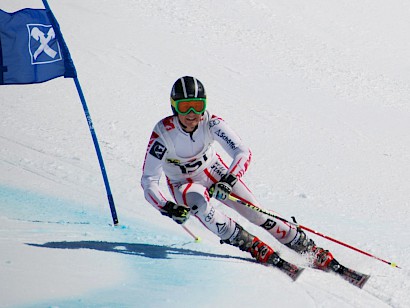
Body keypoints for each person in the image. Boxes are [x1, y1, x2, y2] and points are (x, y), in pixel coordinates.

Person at [141, 76, 333, 269]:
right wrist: (167, 207)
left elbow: (242, 151)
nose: (192, 113)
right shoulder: (163, 134)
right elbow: (149, 180)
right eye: (185, 107)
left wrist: (228, 180)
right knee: (200, 206)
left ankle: (305, 246)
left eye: (198, 106)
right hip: (182, 183)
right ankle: (251, 244)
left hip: (214, 172)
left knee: (256, 212)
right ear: (174, 107)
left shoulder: (211, 123)